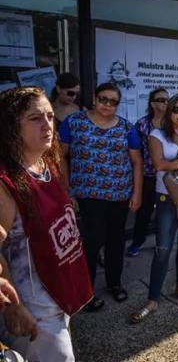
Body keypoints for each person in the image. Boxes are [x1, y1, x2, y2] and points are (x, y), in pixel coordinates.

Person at [0, 87, 93, 361]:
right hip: (33, 311)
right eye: (35, 118)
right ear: (11, 126)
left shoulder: (46, 166)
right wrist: (11, 307)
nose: (47, 125)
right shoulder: (5, 184)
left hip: (57, 297)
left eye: (50, 117)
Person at [59, 82, 142, 311]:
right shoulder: (74, 123)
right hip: (88, 194)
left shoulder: (127, 128)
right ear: (95, 98)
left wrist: (137, 192)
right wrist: (66, 188)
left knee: (116, 241)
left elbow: (136, 161)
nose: (107, 104)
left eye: (112, 101)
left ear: (118, 104)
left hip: (119, 195)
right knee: (91, 243)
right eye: (103, 99)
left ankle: (115, 284)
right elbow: (59, 156)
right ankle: (86, 292)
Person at [130, 94, 178, 323]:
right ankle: (153, 299)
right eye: (177, 110)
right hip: (166, 197)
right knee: (162, 248)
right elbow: (159, 165)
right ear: (169, 112)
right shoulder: (157, 135)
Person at [127, 88, 169, 257]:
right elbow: (135, 151)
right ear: (152, 103)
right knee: (144, 212)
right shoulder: (142, 124)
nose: (165, 103)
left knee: (165, 211)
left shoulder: (172, 123)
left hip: (167, 174)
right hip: (148, 175)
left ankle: (163, 242)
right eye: (161, 100)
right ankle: (138, 241)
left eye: (167, 100)